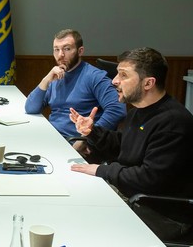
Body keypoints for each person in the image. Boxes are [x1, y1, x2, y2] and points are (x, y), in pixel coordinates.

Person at [70, 47, 193, 241]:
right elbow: (125, 146)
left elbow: (148, 179)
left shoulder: (173, 123)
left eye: (123, 75)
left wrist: (102, 171)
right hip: (134, 196)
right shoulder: (138, 111)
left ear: (148, 83)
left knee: (82, 224)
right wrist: (92, 132)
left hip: (161, 214)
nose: (114, 81)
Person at [24, 29, 126, 138]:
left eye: (67, 49)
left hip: (74, 142)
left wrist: (88, 139)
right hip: (52, 137)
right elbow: (31, 108)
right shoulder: (56, 75)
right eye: (56, 49)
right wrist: (45, 80)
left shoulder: (94, 76)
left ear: (80, 51)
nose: (60, 55)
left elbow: (117, 110)